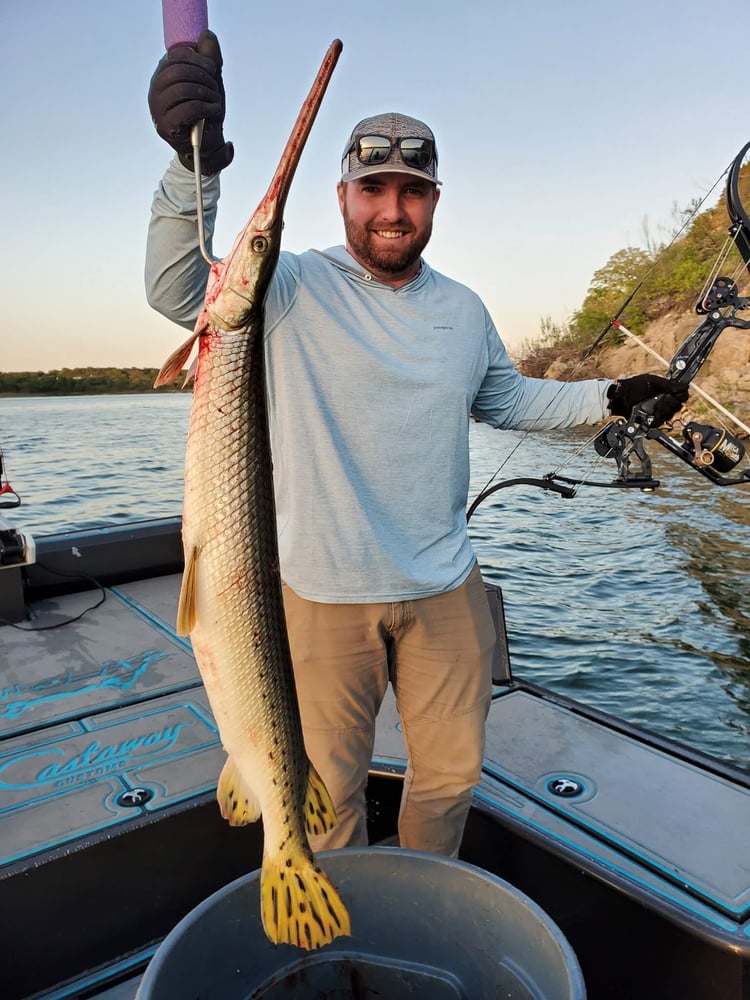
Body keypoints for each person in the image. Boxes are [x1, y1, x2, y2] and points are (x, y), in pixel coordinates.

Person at [145, 33, 688, 857]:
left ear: (435, 200)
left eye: (412, 191)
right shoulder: (289, 286)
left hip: (445, 588)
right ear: (342, 197)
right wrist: (195, 168)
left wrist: (612, 394)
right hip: (320, 596)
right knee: (324, 802)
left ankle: (425, 909)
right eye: (374, 190)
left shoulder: (463, 310)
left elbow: (509, 399)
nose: (392, 209)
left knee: (449, 782)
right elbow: (179, 285)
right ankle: (337, 943)